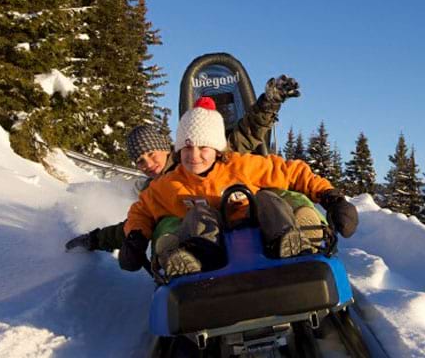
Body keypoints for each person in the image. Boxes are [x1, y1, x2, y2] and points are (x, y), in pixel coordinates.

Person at [118, 97, 359, 277]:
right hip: (212, 249)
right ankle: (186, 260)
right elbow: (143, 209)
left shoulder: (241, 166)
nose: (194, 156)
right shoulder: (169, 184)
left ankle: (296, 236)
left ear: (217, 148)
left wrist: (332, 198)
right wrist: (136, 237)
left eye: (203, 148)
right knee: (194, 216)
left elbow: (292, 172)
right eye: (187, 148)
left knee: (268, 198)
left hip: (262, 235)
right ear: (179, 150)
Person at [65, 75, 301, 252]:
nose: (147, 163)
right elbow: (136, 223)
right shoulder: (155, 190)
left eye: (151, 153)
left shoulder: (203, 156)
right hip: (198, 250)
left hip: (241, 234)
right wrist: (95, 239)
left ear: (166, 147)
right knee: (165, 225)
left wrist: (269, 103)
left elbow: (247, 133)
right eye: (140, 160)